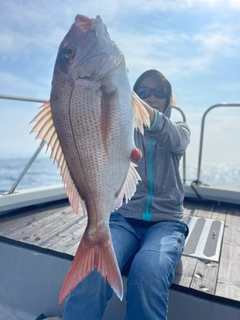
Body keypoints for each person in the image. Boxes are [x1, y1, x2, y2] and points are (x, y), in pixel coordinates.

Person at [62, 69, 190, 320]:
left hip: (165, 223)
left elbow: (176, 139)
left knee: (148, 270)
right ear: (134, 97)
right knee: (92, 272)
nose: (152, 97)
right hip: (123, 219)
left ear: (168, 99)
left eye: (159, 92)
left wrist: (140, 108)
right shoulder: (124, 129)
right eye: (143, 92)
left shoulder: (179, 130)